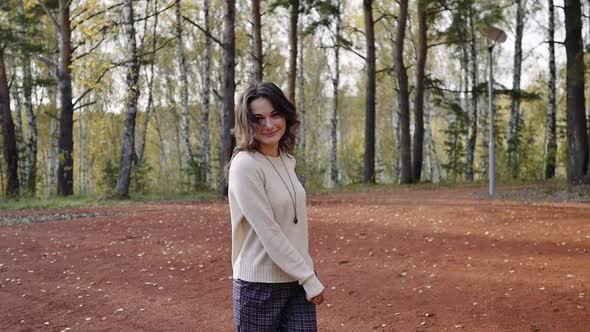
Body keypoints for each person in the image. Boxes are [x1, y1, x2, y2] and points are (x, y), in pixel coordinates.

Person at [226, 81, 325, 331]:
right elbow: (269, 232)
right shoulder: (245, 165)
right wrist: (309, 278)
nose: (268, 125)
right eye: (258, 118)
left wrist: (304, 272)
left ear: (285, 115)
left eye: (275, 115)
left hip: (296, 279)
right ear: (247, 123)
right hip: (259, 287)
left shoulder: (286, 159)